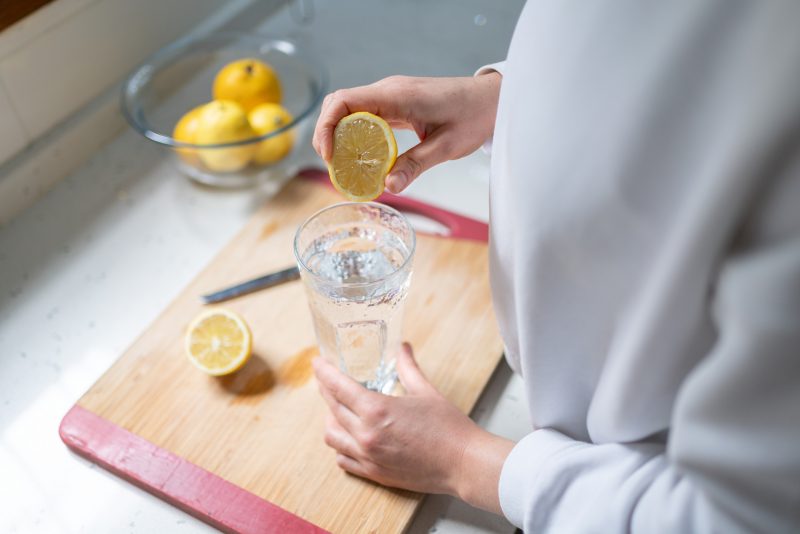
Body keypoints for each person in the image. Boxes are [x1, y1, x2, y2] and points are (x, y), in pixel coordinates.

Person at [310, 1, 800, 531]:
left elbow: (741, 518)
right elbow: (659, 73)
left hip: (616, 482)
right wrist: (505, 96)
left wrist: (465, 463)